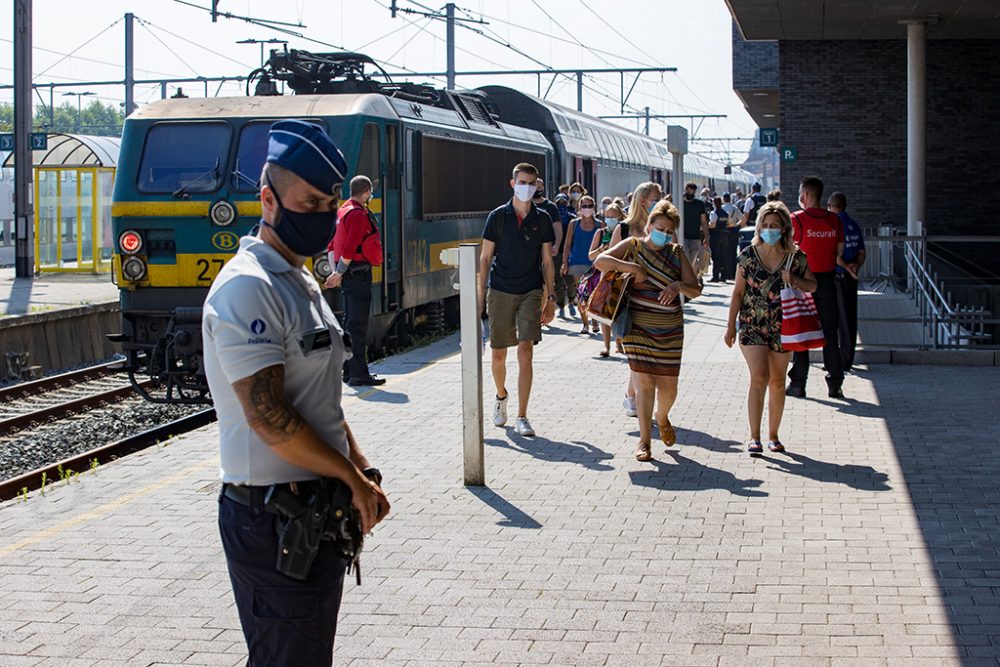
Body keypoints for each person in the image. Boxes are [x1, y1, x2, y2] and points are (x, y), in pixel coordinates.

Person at [203, 120, 390, 667]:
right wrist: (349, 477)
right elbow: (269, 417)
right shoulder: (248, 287)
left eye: (330, 202)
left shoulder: (301, 280)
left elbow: (319, 398)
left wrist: (360, 468)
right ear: (267, 199)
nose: (324, 214)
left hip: (312, 509)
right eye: (309, 201)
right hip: (271, 517)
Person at [596, 201, 702, 461]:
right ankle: (644, 441)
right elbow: (601, 261)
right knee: (644, 383)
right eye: (659, 227)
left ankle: (662, 416)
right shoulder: (633, 245)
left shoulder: (676, 253)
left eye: (668, 230)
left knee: (668, 389)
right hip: (637, 326)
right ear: (648, 225)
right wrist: (631, 267)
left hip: (669, 330)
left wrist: (678, 286)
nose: (663, 233)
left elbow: (695, 289)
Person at [725, 201, 817, 455]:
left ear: (784, 228)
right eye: (765, 225)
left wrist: (794, 279)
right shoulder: (747, 256)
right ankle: (754, 437)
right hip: (752, 324)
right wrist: (730, 326)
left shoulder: (796, 257)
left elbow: (813, 286)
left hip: (784, 325)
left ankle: (773, 436)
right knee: (759, 377)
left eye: (774, 225)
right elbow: (737, 293)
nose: (769, 229)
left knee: (777, 381)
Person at [479, 162, 557, 437]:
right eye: (521, 182)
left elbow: (547, 261)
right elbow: (485, 258)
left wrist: (551, 298)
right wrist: (480, 296)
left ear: (537, 186)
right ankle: (501, 396)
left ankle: (523, 416)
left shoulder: (543, 218)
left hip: (531, 290)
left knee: (526, 352)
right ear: (513, 184)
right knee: (498, 355)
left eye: (531, 183)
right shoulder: (497, 217)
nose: (526, 187)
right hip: (500, 289)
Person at [786, 176, 847, 399]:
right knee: (830, 334)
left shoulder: (797, 219)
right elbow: (839, 252)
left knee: (803, 332)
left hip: (803, 282)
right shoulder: (835, 220)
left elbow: (789, 250)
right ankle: (835, 384)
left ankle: (798, 384)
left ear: (806, 195)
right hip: (828, 282)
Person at [325, 175, 385, 386]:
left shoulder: (342, 211)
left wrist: (335, 272)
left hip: (348, 275)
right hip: (357, 273)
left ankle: (348, 371)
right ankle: (359, 374)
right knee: (358, 326)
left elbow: (331, 246)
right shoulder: (358, 214)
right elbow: (351, 247)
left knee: (349, 324)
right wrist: (339, 273)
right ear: (367, 191)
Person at [610, 181, 661, 417]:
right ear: (642, 201)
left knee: (647, 353)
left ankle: (632, 395)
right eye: (655, 199)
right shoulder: (624, 228)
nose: (659, 203)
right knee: (638, 353)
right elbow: (609, 264)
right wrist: (633, 269)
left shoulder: (659, 228)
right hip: (629, 301)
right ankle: (637, 398)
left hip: (655, 299)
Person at [827, 191, 865, 371]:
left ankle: (836, 360)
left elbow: (834, 254)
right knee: (849, 317)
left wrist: (846, 267)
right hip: (852, 277)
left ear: (830, 206)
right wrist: (855, 267)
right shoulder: (854, 225)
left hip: (837, 276)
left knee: (834, 318)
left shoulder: (833, 225)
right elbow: (862, 253)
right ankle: (848, 358)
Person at [561, 194, 601, 334]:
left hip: (595, 264)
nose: (587, 209)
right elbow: (567, 245)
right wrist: (565, 263)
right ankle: (585, 324)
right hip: (577, 263)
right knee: (582, 294)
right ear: (579, 207)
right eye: (584, 206)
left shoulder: (600, 225)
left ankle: (595, 320)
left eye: (590, 206)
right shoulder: (574, 224)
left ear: (594, 207)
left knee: (594, 294)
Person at [589, 203, 626, 357]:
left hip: (621, 275)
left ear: (620, 217)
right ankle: (607, 346)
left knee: (619, 311)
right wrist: (601, 250)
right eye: (607, 216)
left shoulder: (625, 231)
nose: (610, 219)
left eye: (613, 216)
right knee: (604, 313)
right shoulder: (600, 232)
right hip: (604, 276)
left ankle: (619, 343)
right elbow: (591, 256)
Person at [552, 192, 577, 318]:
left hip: (570, 253)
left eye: (564, 202)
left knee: (571, 281)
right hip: (556, 253)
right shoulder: (552, 217)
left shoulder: (572, 218)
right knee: (558, 281)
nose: (561, 205)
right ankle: (561, 305)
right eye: (559, 203)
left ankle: (571, 301)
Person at [681, 182, 709, 275]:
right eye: (689, 191)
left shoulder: (699, 204)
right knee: (687, 258)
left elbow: (704, 221)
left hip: (695, 237)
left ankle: (693, 277)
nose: (691, 194)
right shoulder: (679, 203)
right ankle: (689, 278)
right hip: (682, 236)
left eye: (693, 192)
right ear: (685, 190)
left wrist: (706, 236)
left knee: (693, 259)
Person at [532, 178, 563, 260]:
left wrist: (556, 245)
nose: (537, 190)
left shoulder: (550, 206)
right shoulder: (526, 205)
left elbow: (558, 228)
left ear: (543, 188)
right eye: (535, 187)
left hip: (547, 247)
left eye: (539, 188)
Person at [707, 196, 733, 283]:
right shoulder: (726, 213)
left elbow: (713, 225)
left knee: (716, 257)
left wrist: (705, 226)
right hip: (725, 237)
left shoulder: (713, 213)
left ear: (714, 203)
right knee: (723, 256)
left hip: (715, 237)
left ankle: (715, 277)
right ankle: (723, 276)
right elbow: (729, 224)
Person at [721, 192, 742, 281]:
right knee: (733, 252)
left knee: (725, 253)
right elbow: (742, 218)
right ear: (730, 199)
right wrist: (736, 225)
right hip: (733, 231)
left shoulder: (721, 208)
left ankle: (726, 273)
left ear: (723, 199)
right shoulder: (734, 208)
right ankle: (734, 273)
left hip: (724, 232)